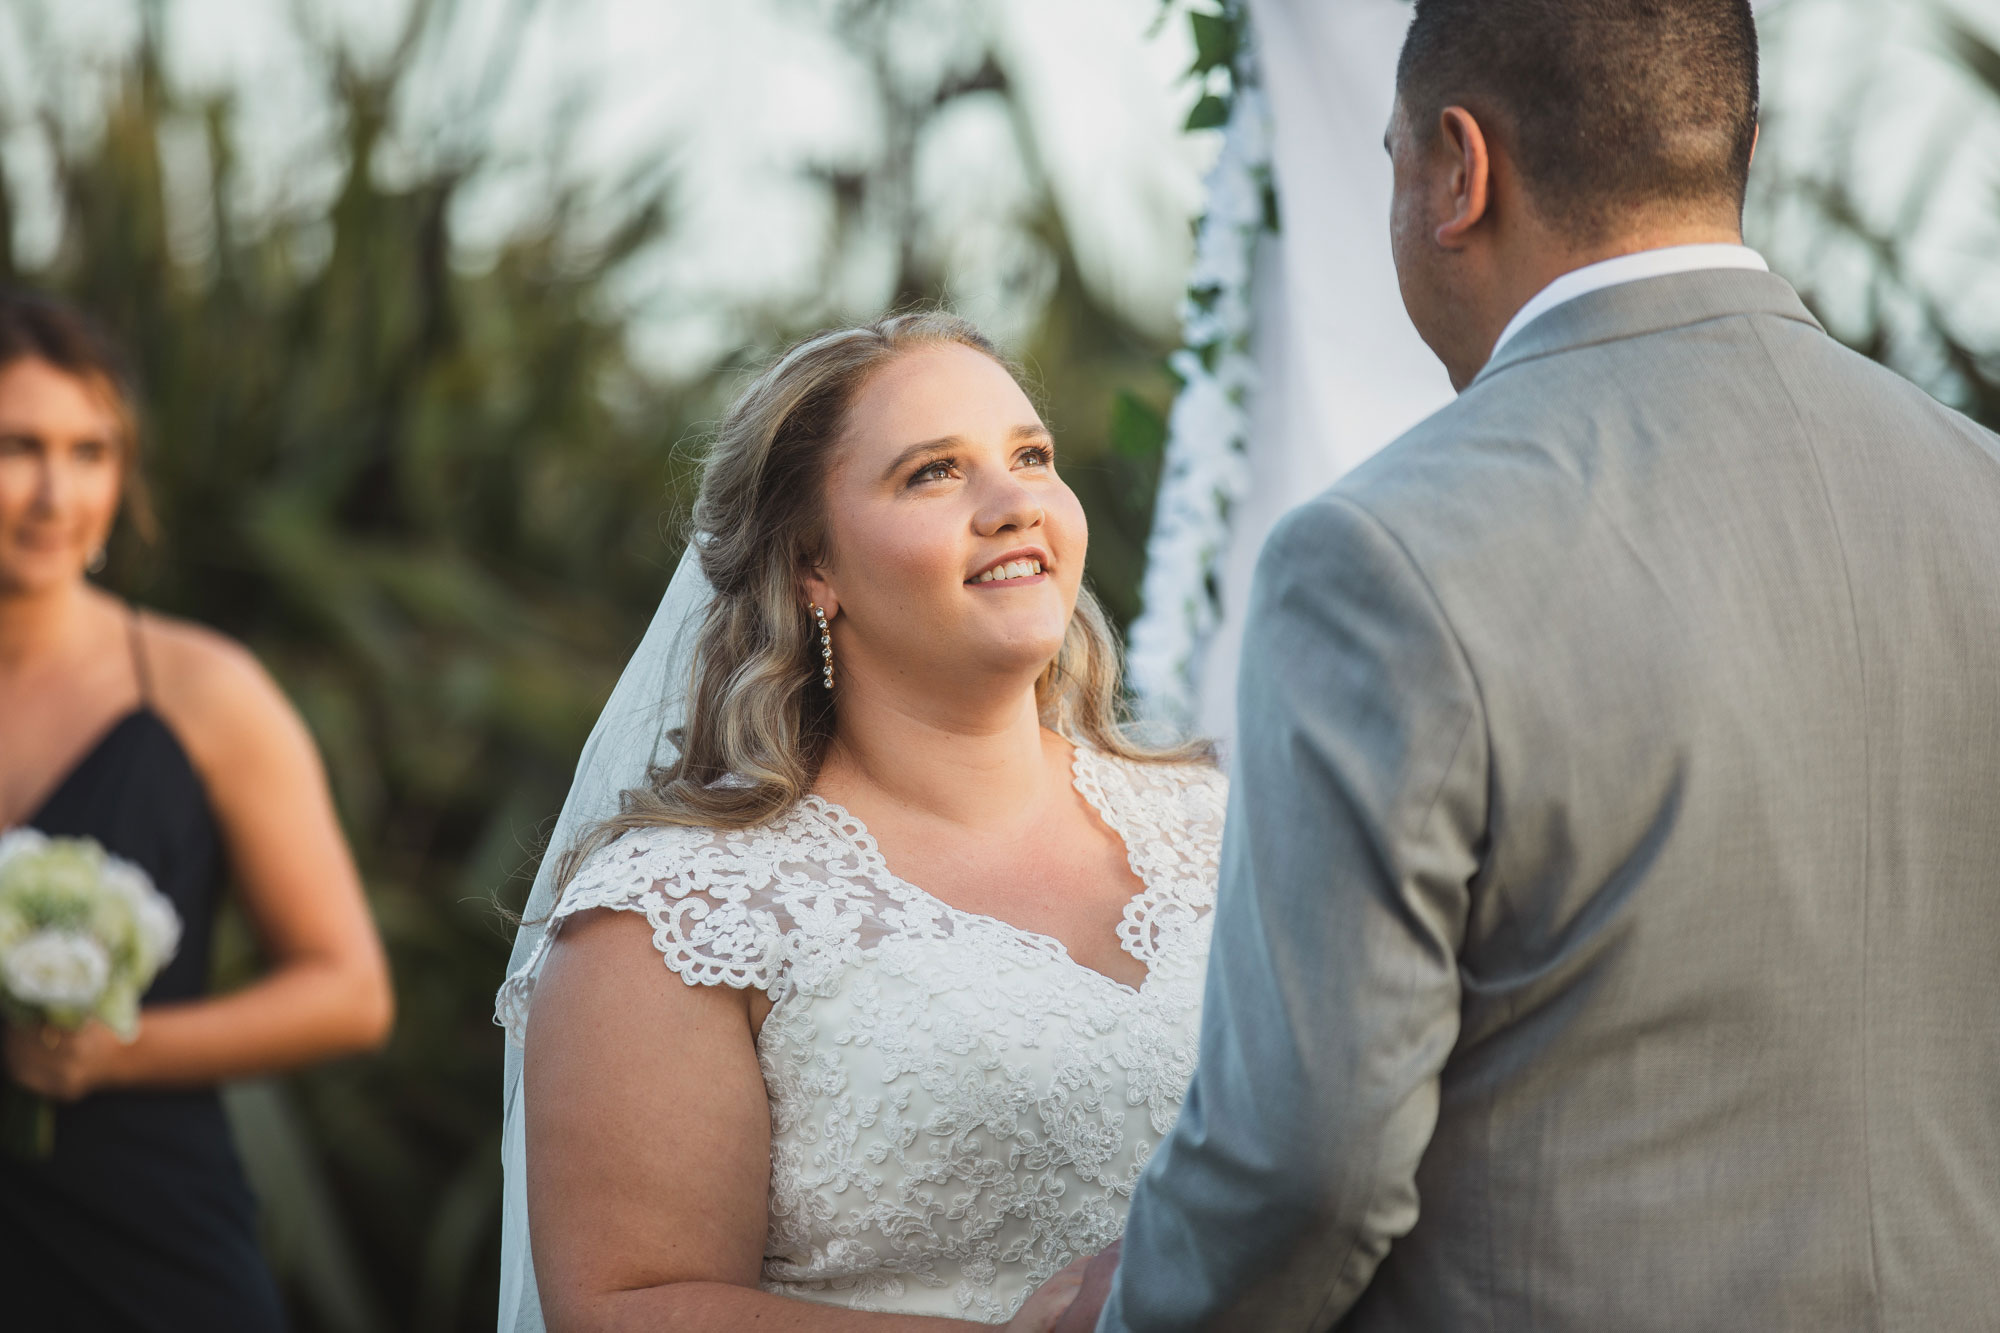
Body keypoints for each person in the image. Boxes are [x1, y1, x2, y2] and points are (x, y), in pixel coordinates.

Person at [1066, 1, 2000, 1329]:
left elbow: (1307, 1168)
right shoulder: (1983, 492)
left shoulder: (1382, 557)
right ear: (1741, 141)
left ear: (1459, 169)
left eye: (1393, 158)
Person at [495, 312, 1226, 1331]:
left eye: (1030, 457)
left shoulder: (1225, 821)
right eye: (933, 472)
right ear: (812, 568)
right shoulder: (679, 912)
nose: (1013, 502)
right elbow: (627, 1305)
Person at [0, 290, 395, 1330]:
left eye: (90, 452)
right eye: (18, 446)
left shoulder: (204, 691)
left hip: (147, 1245)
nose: (54, 493)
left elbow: (349, 990)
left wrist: (110, 1050)